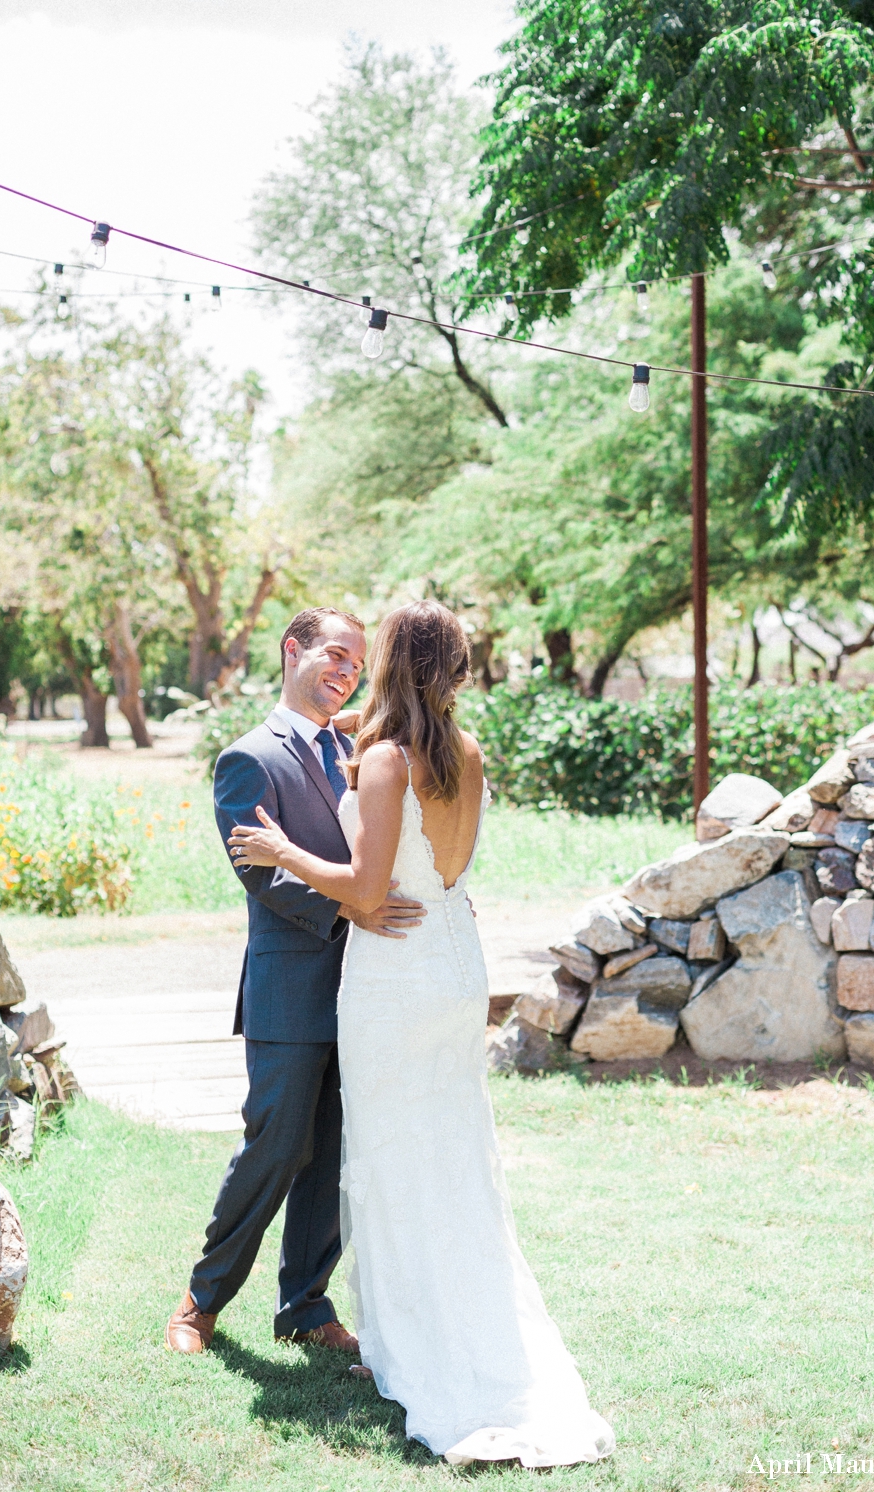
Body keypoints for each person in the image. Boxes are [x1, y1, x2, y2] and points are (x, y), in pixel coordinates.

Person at [227, 600, 615, 1469]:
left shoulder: (385, 760)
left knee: (396, 1159)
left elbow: (365, 895)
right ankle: (465, 1326)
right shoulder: (464, 752)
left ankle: (414, 1352)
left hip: (394, 976)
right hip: (454, 966)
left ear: (394, 661)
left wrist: (280, 851)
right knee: (453, 1156)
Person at [165, 607, 426, 1355]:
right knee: (276, 1147)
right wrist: (356, 910)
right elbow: (261, 876)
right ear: (293, 651)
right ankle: (199, 1302)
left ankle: (305, 1308)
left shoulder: (357, 750)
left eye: (357, 664)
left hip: (370, 987)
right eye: (335, 655)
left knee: (337, 1150)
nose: (347, 672)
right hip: (291, 990)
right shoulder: (248, 757)